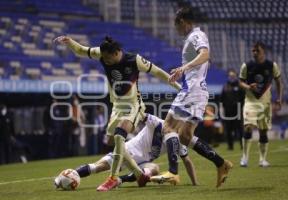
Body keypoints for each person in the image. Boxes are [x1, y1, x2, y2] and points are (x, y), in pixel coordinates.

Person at [53, 36, 181, 191]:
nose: (105, 61)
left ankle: (112, 178)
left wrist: (180, 89)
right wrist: (69, 42)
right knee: (113, 142)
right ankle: (138, 174)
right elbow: (81, 50)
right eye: (103, 58)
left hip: (134, 106)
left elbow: (158, 72)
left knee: (120, 135)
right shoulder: (101, 53)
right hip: (117, 107)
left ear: (116, 53)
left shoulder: (134, 60)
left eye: (108, 58)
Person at [150, 7, 233, 188]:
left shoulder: (196, 36)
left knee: (168, 127)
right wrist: (191, 70)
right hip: (199, 92)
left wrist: (184, 68)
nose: (176, 29)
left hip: (191, 90)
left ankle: (173, 172)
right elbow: (205, 60)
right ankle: (221, 163)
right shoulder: (194, 37)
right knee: (185, 136)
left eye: (176, 24)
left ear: (183, 21)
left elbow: (205, 55)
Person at [54, 114, 198, 189]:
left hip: (144, 162)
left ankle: (120, 180)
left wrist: (195, 184)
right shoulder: (157, 122)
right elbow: (141, 114)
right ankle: (63, 179)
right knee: (99, 167)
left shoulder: (177, 141)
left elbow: (187, 161)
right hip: (127, 150)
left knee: (154, 168)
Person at [239, 41, 283, 167]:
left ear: (263, 51)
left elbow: (279, 82)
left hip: (265, 103)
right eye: (253, 50)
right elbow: (240, 82)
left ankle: (262, 160)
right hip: (251, 101)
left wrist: (279, 99)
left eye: (257, 50)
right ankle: (244, 158)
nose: (255, 53)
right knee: (248, 127)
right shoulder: (246, 65)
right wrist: (248, 86)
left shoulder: (272, 65)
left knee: (263, 131)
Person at [220, 69, 244, 150]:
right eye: (230, 76)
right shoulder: (225, 86)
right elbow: (222, 99)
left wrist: (241, 107)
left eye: (233, 76)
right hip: (228, 112)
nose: (231, 77)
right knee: (229, 129)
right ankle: (230, 146)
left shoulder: (240, 86)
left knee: (240, 129)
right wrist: (222, 109)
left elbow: (243, 98)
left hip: (238, 111)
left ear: (236, 76)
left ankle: (242, 145)